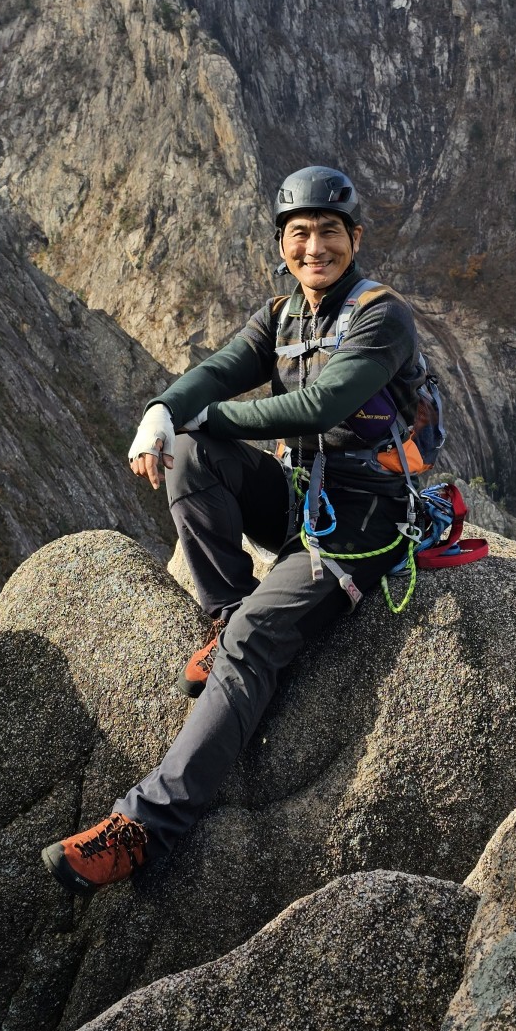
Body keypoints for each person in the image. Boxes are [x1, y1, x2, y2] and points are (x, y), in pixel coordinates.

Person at [41, 164, 426, 894]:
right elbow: (218, 372)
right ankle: (223, 612)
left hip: (365, 521)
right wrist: (165, 410)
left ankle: (148, 826)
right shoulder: (282, 316)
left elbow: (320, 405)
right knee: (189, 455)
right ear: (283, 243)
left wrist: (201, 413)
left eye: (330, 233)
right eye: (300, 234)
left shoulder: (381, 317)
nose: (316, 247)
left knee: (257, 643)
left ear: (356, 239)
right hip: (301, 496)